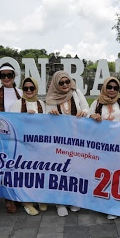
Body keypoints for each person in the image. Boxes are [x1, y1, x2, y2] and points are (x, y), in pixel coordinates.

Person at [89, 76, 120, 220]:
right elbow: (88, 118)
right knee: (103, 174)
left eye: (115, 88)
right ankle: (103, 204)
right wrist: (93, 116)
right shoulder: (96, 103)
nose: (112, 90)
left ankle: (115, 205)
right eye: (109, 87)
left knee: (117, 174)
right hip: (101, 145)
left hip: (119, 145)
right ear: (104, 88)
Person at [46, 70, 89, 217]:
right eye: (61, 82)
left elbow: (86, 108)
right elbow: (46, 117)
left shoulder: (76, 93)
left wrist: (84, 113)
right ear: (56, 84)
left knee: (75, 169)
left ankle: (73, 199)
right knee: (60, 170)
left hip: (77, 139)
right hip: (59, 141)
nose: (65, 85)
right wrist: (51, 113)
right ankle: (60, 202)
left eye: (67, 82)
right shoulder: (51, 97)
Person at [10, 76, 48, 215]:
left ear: (36, 88)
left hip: (39, 143)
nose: (29, 90)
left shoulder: (41, 104)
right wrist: (25, 116)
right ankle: (27, 202)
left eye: (32, 88)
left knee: (39, 172)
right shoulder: (17, 104)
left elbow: (46, 123)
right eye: (26, 88)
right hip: (23, 144)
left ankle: (39, 198)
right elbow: (12, 124)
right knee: (25, 173)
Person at [0, 63, 23, 214]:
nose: (7, 78)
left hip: (20, 135)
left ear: (14, 77)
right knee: (7, 168)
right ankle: (9, 198)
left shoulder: (21, 92)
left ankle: (18, 195)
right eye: (4, 76)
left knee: (20, 167)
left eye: (10, 75)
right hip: (4, 135)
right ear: (0, 78)